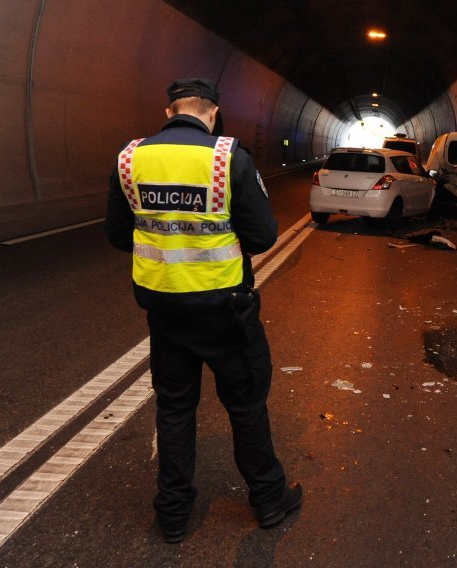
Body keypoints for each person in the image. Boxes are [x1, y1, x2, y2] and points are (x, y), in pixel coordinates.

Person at [105, 78, 302, 543]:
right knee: (246, 403)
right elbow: (262, 236)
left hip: (165, 311)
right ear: (213, 112)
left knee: (175, 410)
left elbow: (118, 233)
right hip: (224, 310)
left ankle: (173, 515)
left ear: (169, 110)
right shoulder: (226, 157)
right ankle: (269, 501)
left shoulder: (131, 158)